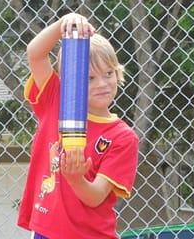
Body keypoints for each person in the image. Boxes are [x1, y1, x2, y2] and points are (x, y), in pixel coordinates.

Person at [17, 13, 139, 239]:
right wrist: (65, 22)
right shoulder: (56, 99)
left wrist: (76, 179)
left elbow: (95, 197)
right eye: (90, 78)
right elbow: (35, 54)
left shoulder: (122, 136)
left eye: (108, 74)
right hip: (45, 231)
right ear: (73, 78)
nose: (102, 84)